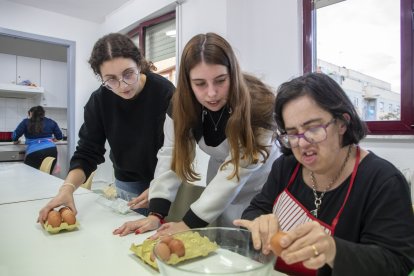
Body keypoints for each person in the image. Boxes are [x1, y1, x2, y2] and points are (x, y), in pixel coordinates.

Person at [234, 72, 414, 275]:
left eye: (313, 128)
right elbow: (254, 211)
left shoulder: (382, 181)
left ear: (342, 123)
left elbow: (397, 263)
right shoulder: (286, 167)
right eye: (292, 133)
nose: (302, 143)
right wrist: (259, 223)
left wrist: (334, 250)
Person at [113, 32, 280, 237]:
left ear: (233, 74)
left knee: (257, 245)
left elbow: (235, 173)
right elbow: (172, 154)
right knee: (224, 239)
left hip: (263, 184)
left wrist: (186, 224)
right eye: (200, 83)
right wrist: (155, 214)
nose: (211, 93)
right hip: (220, 178)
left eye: (220, 80)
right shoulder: (181, 106)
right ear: (188, 82)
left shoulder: (257, 108)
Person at [37, 33, 174, 223]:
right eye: (111, 79)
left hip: (165, 176)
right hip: (127, 180)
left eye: (128, 74)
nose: (123, 85)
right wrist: (66, 188)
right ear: (101, 77)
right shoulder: (99, 101)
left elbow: (178, 149)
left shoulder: (165, 93)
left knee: (158, 234)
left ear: (139, 64)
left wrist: (159, 187)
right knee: (128, 234)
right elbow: (87, 152)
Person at [12, 105, 62, 171]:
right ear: (43, 113)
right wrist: (52, 140)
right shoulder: (51, 121)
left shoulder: (26, 122)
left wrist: (16, 141)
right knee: (47, 175)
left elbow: (15, 135)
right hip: (51, 150)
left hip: (34, 152)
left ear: (30, 113)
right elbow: (59, 136)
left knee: (30, 175)